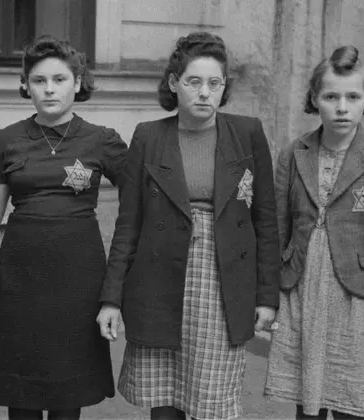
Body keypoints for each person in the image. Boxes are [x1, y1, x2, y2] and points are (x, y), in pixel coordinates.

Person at [97, 32, 281, 420]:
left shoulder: (247, 133)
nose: (204, 93)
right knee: (166, 400)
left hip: (222, 281)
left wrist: (267, 296)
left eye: (214, 84)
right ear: (173, 83)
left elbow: (265, 220)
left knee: (214, 400)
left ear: (223, 87)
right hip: (160, 280)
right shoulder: (149, 136)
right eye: (193, 82)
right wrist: (111, 298)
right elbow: (129, 224)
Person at [264, 46, 364, 419]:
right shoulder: (293, 153)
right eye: (331, 96)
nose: (342, 107)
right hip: (304, 291)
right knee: (308, 402)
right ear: (315, 99)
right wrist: (268, 297)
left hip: (360, 297)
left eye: (352, 96)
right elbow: (277, 230)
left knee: (353, 402)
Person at [0, 35, 128, 420]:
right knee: (23, 393)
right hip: (21, 277)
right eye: (38, 80)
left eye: (60, 79)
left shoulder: (103, 140)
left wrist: (116, 285)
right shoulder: (4, 141)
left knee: (69, 393)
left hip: (79, 278)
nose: (49, 89)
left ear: (78, 83)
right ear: (26, 85)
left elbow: (140, 205)